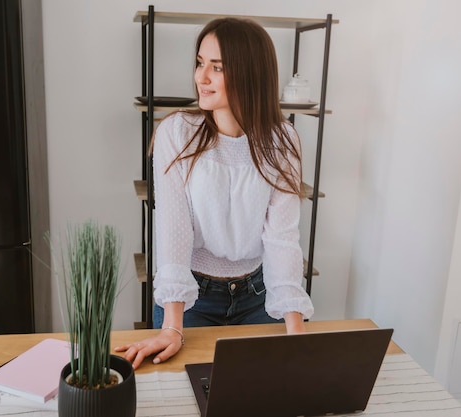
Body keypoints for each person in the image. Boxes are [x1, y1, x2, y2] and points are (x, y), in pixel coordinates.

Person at [116, 17, 314, 369]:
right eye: (199, 63)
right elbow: (173, 230)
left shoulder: (283, 141)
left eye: (217, 67)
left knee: (272, 391)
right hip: (193, 300)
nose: (200, 77)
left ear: (250, 73)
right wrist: (172, 327)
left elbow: (283, 239)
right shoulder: (177, 132)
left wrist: (296, 334)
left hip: (259, 297)